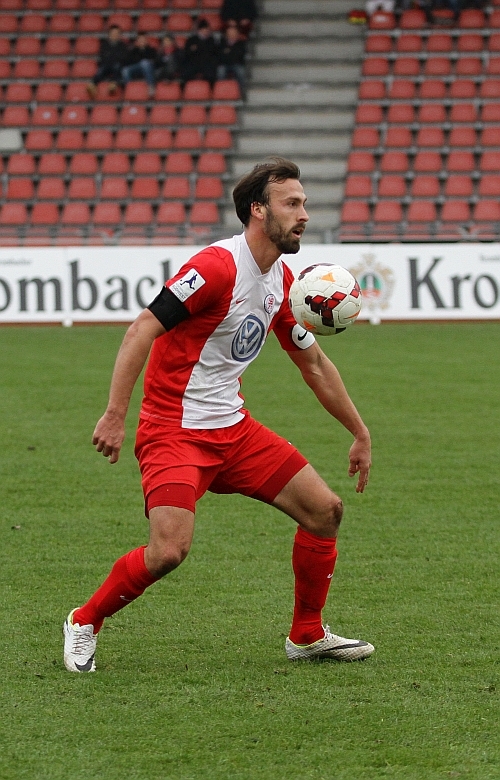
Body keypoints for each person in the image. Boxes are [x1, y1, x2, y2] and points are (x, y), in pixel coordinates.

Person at [63, 157, 375, 673]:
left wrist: (359, 431)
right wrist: (116, 414)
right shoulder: (215, 268)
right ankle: (84, 620)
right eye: (291, 204)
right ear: (258, 210)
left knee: (325, 511)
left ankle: (306, 635)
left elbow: (314, 364)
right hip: (173, 431)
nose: (303, 215)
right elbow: (142, 329)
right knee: (168, 551)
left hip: (234, 430)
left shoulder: (282, 280)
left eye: (304, 204)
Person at [87, 24, 128, 98]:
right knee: (101, 70)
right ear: (109, 34)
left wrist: (111, 57)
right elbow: (103, 56)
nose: (115, 35)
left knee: (117, 67)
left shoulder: (123, 46)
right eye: (113, 33)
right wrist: (114, 57)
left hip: (117, 65)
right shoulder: (104, 45)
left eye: (116, 33)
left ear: (119, 35)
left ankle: (113, 84)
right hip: (106, 64)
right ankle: (93, 84)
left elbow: (123, 58)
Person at [180, 18, 219, 86]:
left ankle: (210, 89)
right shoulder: (192, 40)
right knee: (185, 74)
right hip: (193, 63)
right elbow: (187, 53)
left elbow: (214, 53)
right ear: (199, 30)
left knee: (211, 75)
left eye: (207, 29)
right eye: (203, 29)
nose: (205, 31)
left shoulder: (211, 40)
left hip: (207, 63)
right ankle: (185, 89)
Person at [121, 32, 157, 97]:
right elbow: (128, 61)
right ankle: (129, 88)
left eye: (143, 39)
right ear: (137, 41)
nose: (142, 41)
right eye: (140, 39)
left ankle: (151, 86)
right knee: (125, 70)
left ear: (146, 40)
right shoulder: (133, 50)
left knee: (144, 63)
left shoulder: (151, 50)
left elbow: (155, 61)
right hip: (137, 68)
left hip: (149, 69)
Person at [217, 21, 247, 96]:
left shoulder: (241, 44)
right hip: (224, 64)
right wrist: (231, 53)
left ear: (237, 34)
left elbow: (240, 55)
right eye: (230, 33)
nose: (231, 35)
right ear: (226, 34)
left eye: (233, 33)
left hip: (236, 64)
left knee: (241, 72)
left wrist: (228, 53)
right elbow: (220, 55)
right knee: (220, 71)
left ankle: (241, 92)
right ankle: (221, 91)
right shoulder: (222, 43)